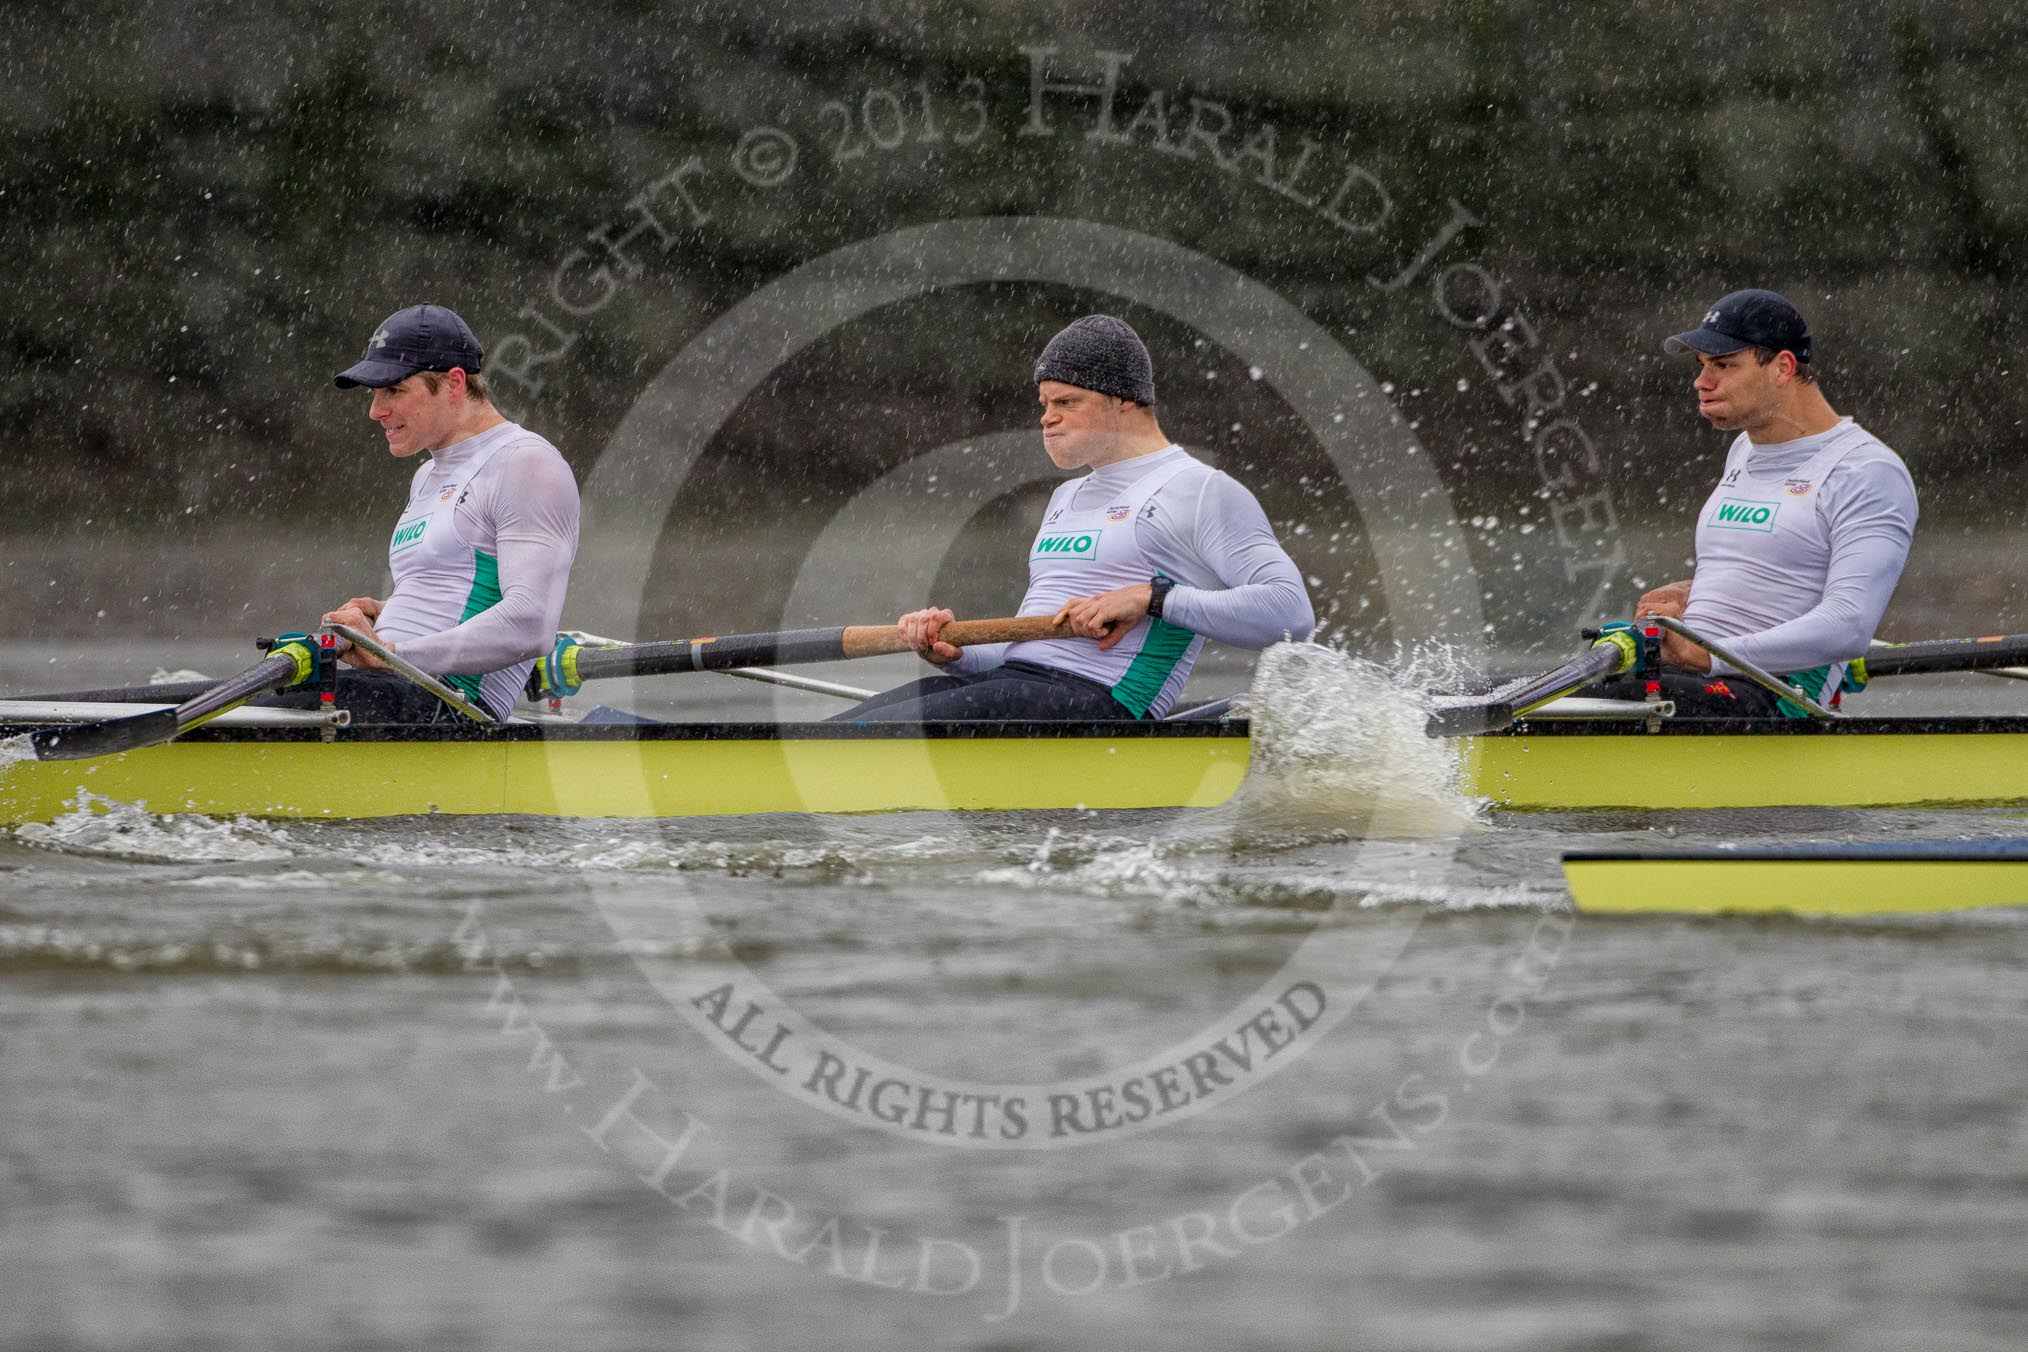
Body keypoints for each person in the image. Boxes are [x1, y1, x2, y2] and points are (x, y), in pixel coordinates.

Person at [835, 315, 1314, 722]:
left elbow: (1290, 615)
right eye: (1045, 404)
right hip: (1020, 687)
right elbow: (1028, 652)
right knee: (828, 731)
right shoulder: (1066, 497)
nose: (1047, 418)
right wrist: (956, 654)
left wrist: (1153, 597)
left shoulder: (1199, 490)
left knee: (833, 750)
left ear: (1123, 399)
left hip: (1103, 703)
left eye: (1066, 402)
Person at [1604, 289, 1916, 716]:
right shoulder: (1744, 451)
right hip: (1698, 681)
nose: (1702, 381)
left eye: (1724, 365)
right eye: (1701, 366)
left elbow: (1848, 626)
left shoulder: (1866, 472)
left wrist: (1706, 655)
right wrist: (1689, 595)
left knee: (1554, 705)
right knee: (1498, 691)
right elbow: (1776, 574)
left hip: (1779, 694)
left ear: (1783, 367)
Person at [272, 304, 579, 722]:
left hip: (455, 708)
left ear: (453, 383)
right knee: (215, 698)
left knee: (233, 717)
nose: (375, 410)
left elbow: (531, 622)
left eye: (393, 391)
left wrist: (388, 654)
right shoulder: (427, 476)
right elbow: (458, 591)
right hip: (402, 692)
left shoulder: (526, 464)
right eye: (375, 394)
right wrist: (386, 614)